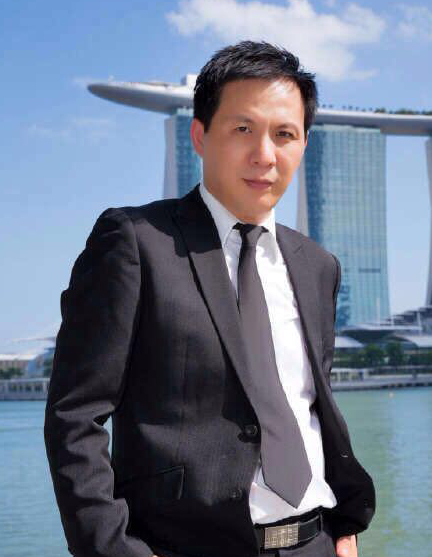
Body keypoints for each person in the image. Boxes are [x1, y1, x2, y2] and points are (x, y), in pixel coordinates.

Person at [44, 41, 375, 557]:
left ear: (304, 144)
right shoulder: (135, 243)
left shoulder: (318, 266)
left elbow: (309, 406)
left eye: (284, 134)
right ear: (200, 135)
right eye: (243, 129)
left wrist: (344, 529)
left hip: (316, 541)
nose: (265, 154)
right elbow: (74, 417)